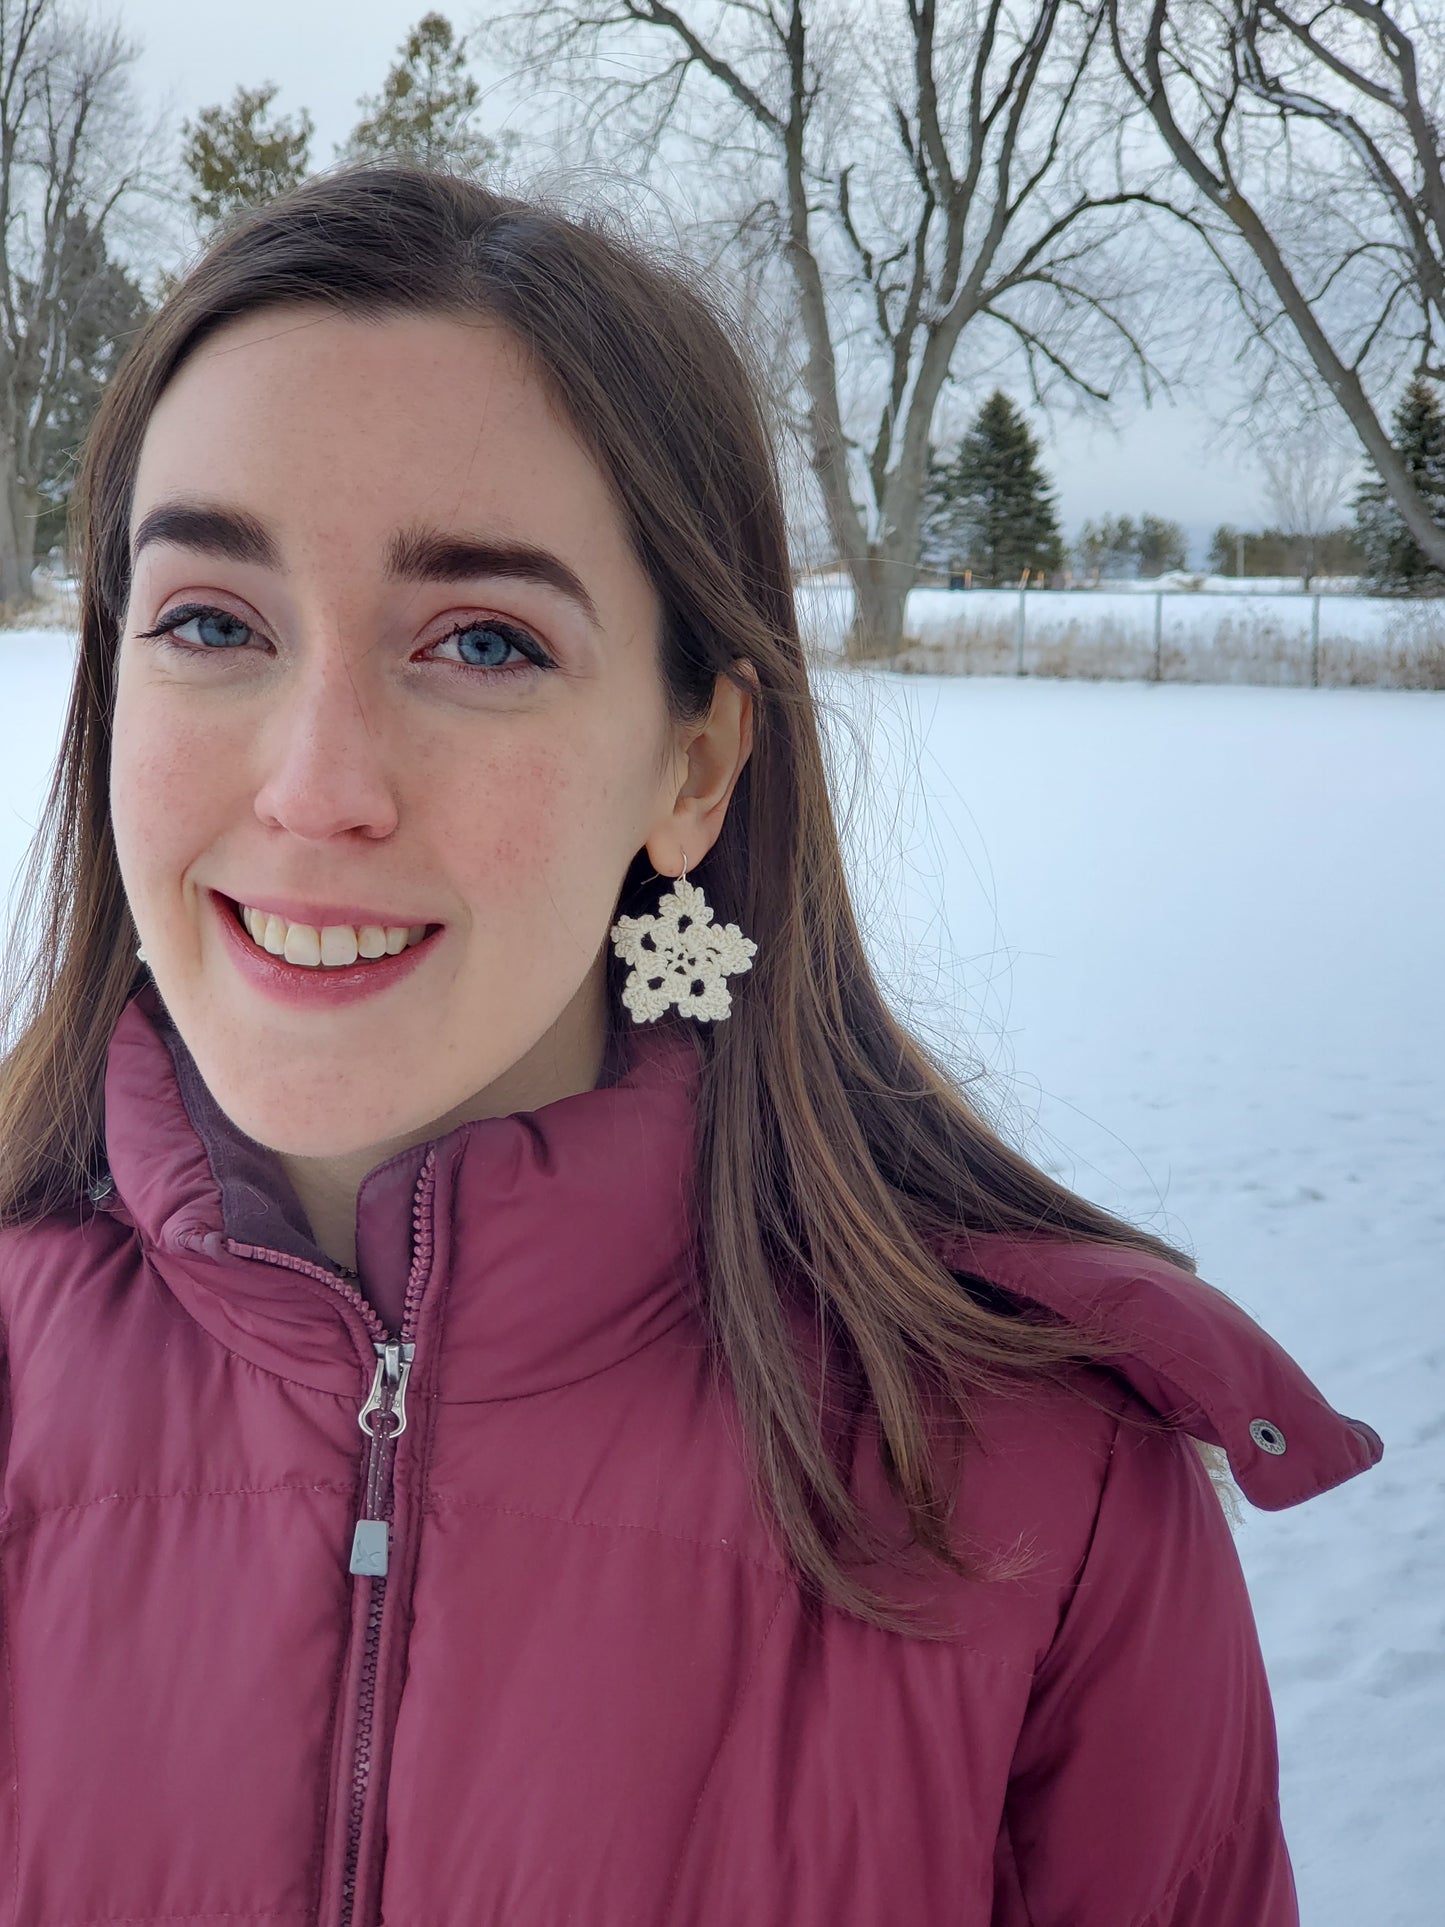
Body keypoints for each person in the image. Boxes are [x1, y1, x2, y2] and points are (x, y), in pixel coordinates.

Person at [0, 166, 1381, 1927]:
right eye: (212, 623)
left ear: (694, 764)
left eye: (481, 641)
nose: (316, 788)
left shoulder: (1050, 1498)